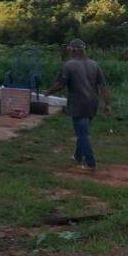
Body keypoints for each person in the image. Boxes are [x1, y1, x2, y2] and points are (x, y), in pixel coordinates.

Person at [46, 39, 112, 171]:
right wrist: (107, 104)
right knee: (83, 131)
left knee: (82, 134)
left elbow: (61, 84)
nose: (69, 51)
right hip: (93, 103)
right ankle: (77, 156)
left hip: (78, 104)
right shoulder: (94, 64)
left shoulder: (69, 65)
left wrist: (48, 92)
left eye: (70, 49)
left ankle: (90, 163)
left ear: (74, 50)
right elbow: (103, 87)